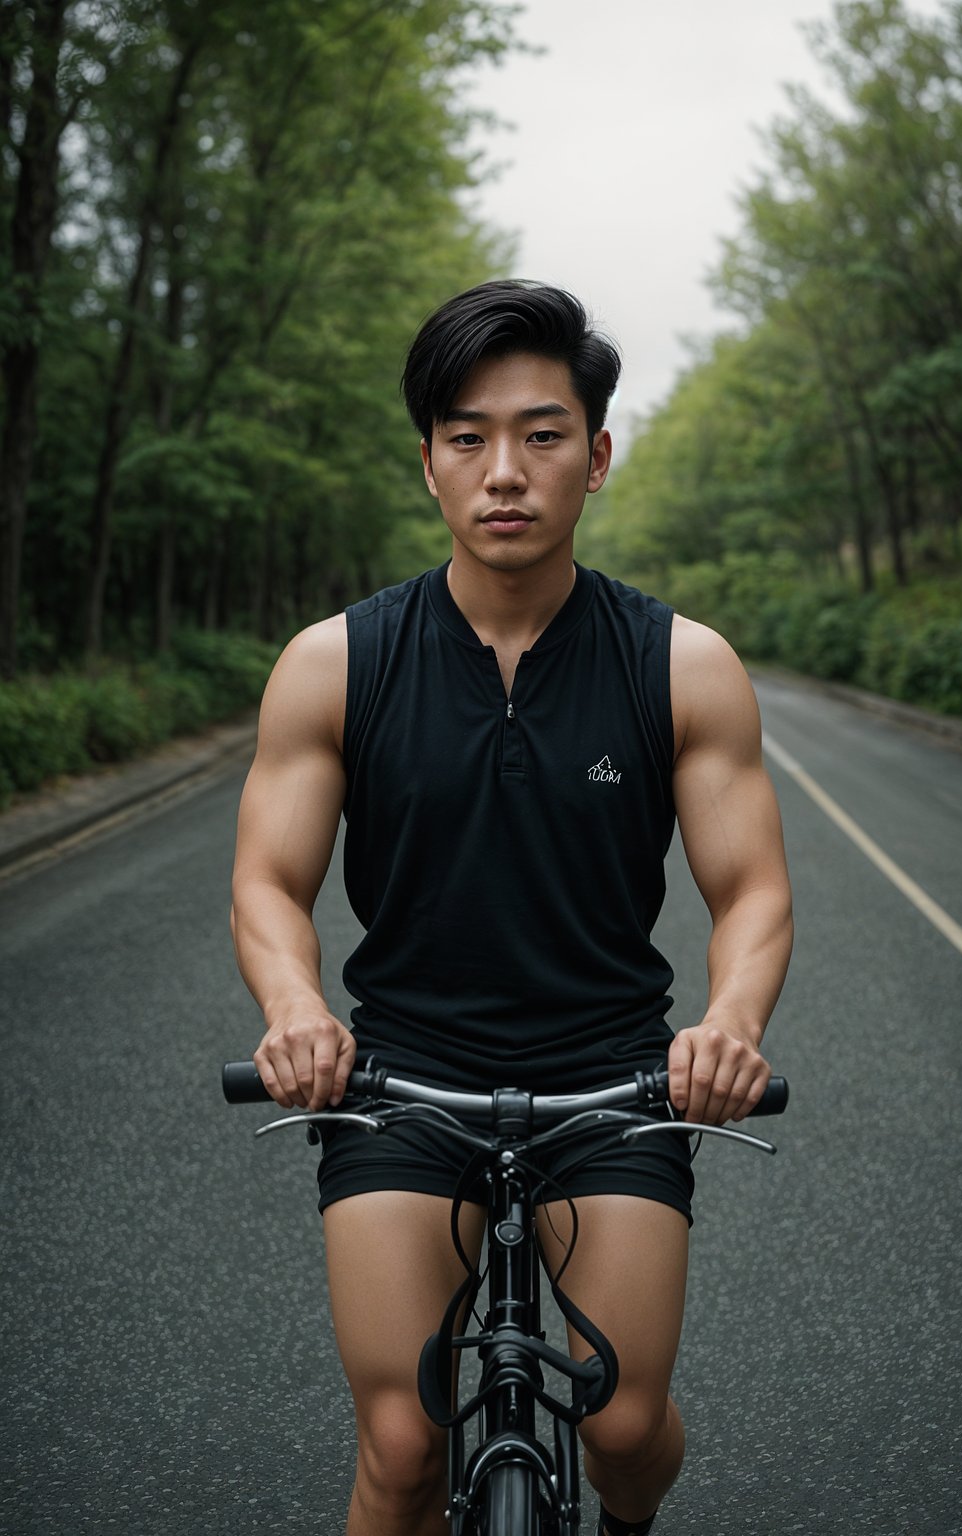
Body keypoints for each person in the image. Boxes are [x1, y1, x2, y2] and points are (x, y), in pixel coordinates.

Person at [230, 280, 793, 1536]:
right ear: (427, 462)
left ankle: (625, 1519)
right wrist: (294, 1008)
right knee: (400, 1442)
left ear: (595, 458)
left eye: (541, 435)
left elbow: (749, 887)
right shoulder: (335, 663)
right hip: (402, 1078)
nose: (503, 470)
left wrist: (731, 1022)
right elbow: (270, 882)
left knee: (628, 1426)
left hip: (611, 1077)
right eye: (467, 437)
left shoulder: (680, 664)